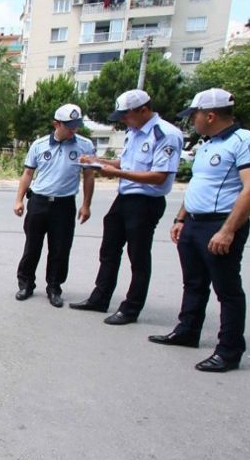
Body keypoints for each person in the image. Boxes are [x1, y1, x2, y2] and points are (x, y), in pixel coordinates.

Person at [149, 88, 250, 373]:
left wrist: (228, 231)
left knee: (227, 291)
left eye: (194, 116)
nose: (192, 121)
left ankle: (228, 350)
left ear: (210, 115)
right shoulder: (207, 144)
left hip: (221, 224)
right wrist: (180, 218)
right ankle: (188, 330)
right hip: (194, 223)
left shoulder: (247, 142)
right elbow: (198, 185)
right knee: (193, 283)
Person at [69, 89, 183, 324]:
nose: (122, 120)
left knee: (138, 257)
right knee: (109, 250)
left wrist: (117, 173)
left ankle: (131, 308)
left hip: (146, 202)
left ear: (143, 110)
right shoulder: (134, 132)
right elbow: (127, 163)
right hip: (124, 198)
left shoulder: (166, 134)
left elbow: (159, 176)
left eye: (125, 114)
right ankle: (100, 298)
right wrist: (98, 161)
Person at [14, 103, 96, 307]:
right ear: (56, 124)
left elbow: (88, 176)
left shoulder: (85, 146)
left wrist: (86, 205)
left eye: (76, 126)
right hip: (39, 202)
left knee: (60, 249)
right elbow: (28, 173)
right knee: (32, 246)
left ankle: (54, 287)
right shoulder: (39, 145)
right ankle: (26, 284)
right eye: (69, 126)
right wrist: (19, 199)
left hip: (64, 205)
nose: (73, 130)